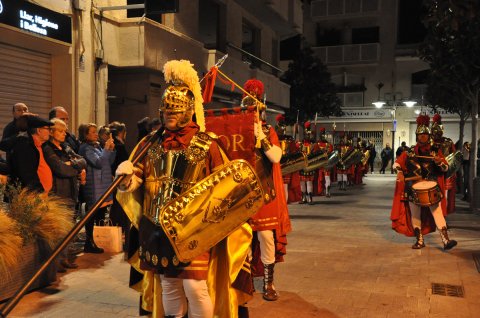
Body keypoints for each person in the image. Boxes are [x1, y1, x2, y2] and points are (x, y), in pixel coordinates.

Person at [115, 60, 253, 317]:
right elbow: (139, 180)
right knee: (169, 283)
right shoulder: (150, 144)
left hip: (195, 229)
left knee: (195, 285)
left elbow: (225, 186)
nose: (170, 115)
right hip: (156, 227)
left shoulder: (206, 144)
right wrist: (126, 178)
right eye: (166, 111)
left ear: (188, 111)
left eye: (175, 111)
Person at [242, 78, 291, 302]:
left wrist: (261, 139)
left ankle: (268, 283)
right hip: (242, 194)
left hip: (264, 192)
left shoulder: (268, 131)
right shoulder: (237, 131)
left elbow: (276, 157)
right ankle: (245, 281)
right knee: (243, 239)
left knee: (265, 237)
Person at [391, 114, 457, 250]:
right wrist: (399, 172)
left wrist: (440, 162)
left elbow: (445, 168)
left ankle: (446, 240)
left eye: (425, 135)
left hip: (432, 187)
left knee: (437, 212)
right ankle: (419, 240)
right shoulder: (408, 153)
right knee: (415, 214)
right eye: (421, 135)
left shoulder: (435, 152)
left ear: (429, 137)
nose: (423, 137)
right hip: (412, 188)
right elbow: (396, 164)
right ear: (417, 137)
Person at [42, 118, 87, 271]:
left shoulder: (65, 147)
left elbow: (83, 161)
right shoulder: (47, 148)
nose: (64, 134)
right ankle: (57, 261)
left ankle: (64, 257)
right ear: (52, 132)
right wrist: (74, 168)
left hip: (71, 190)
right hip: (58, 191)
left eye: (65, 131)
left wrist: (71, 165)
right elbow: (59, 169)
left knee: (69, 227)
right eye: (60, 131)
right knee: (58, 229)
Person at [78, 123, 116, 253]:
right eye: (92, 132)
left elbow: (108, 162)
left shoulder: (96, 146)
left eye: (95, 132)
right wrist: (106, 149)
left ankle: (96, 240)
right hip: (94, 186)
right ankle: (89, 242)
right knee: (92, 213)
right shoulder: (85, 148)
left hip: (102, 184)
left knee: (100, 212)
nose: (96, 134)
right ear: (85, 135)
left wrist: (110, 150)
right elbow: (98, 163)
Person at [9, 115, 53, 192]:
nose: (50, 132)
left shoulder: (39, 145)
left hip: (41, 196)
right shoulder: (24, 146)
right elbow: (27, 174)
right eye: (48, 129)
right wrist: (39, 192)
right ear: (39, 131)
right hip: (30, 198)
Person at [431, 114, 457, 214]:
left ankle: (442, 215)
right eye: (434, 130)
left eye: (438, 130)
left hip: (446, 172)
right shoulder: (429, 142)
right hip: (432, 172)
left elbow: (454, 158)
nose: (436, 132)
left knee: (444, 195)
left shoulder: (448, 142)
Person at [298, 121, 317, 204]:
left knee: (309, 182)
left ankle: (309, 198)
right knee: (302, 182)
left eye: (308, 135)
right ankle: (304, 197)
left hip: (309, 164)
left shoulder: (313, 145)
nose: (307, 136)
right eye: (306, 135)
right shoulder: (300, 144)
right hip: (302, 165)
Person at [316, 127, 333, 197]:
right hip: (325, 163)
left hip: (322, 164)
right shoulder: (328, 145)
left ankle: (325, 191)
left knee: (324, 178)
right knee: (325, 178)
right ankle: (326, 191)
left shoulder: (318, 144)